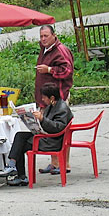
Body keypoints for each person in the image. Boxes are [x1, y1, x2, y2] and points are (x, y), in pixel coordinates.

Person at [0, 83, 73, 186]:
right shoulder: (52, 106)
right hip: (45, 136)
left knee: (20, 145)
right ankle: (13, 167)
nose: (42, 100)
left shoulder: (62, 109)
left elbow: (57, 127)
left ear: (52, 97)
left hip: (52, 141)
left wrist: (42, 119)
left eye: (44, 97)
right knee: (19, 136)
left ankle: (18, 172)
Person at [35, 24, 74, 174]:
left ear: (53, 35)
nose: (43, 39)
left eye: (46, 36)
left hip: (58, 98)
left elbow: (67, 71)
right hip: (45, 98)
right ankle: (54, 162)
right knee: (48, 128)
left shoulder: (60, 50)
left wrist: (49, 70)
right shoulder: (44, 49)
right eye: (41, 36)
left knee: (61, 129)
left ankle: (65, 164)